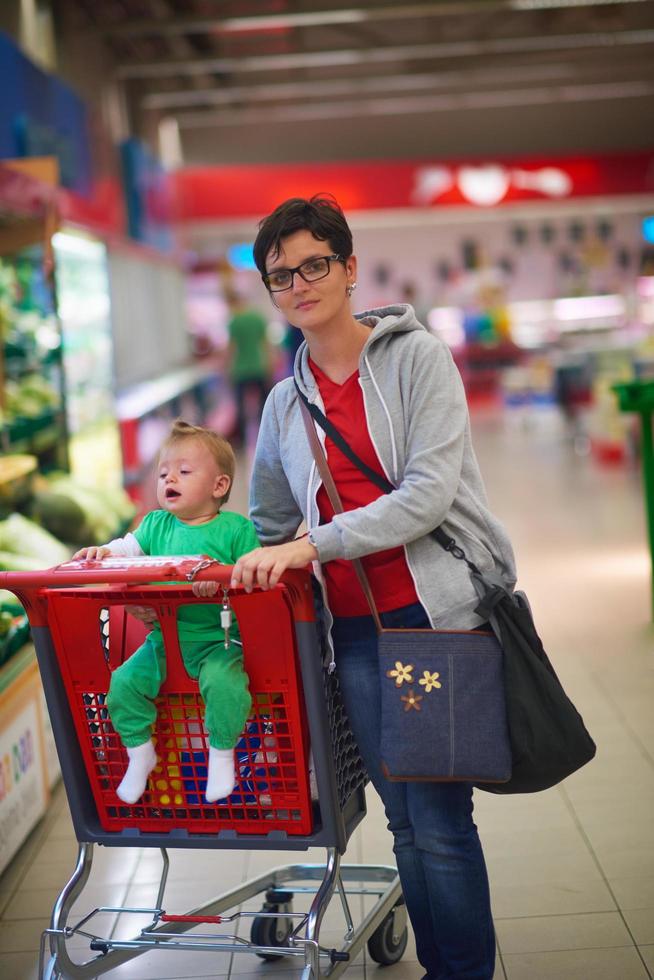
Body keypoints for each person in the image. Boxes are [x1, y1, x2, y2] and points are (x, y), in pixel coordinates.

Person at [230, 195, 517, 980]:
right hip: (351, 634)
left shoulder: (416, 359)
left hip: (432, 621)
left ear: (350, 269)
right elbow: (268, 520)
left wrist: (309, 547)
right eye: (280, 274)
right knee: (402, 823)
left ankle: (461, 973)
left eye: (314, 264)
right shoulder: (284, 404)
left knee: (439, 819)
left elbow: (426, 494)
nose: (299, 283)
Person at [74, 419, 259, 806]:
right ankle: (140, 753)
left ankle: (221, 754)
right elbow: (129, 548)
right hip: (163, 642)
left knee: (225, 687)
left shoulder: (236, 530)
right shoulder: (155, 524)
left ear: (219, 486)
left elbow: (255, 579)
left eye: (184, 471)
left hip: (219, 641)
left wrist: (224, 582)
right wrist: (104, 552)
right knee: (123, 684)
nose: (169, 478)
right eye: (162, 473)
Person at [225, 289, 272, 446]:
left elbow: (231, 349)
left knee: (240, 407)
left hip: (240, 369)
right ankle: (265, 436)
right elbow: (266, 344)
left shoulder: (234, 322)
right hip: (259, 366)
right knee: (264, 404)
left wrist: (227, 370)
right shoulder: (257, 318)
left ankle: (242, 441)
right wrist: (270, 364)